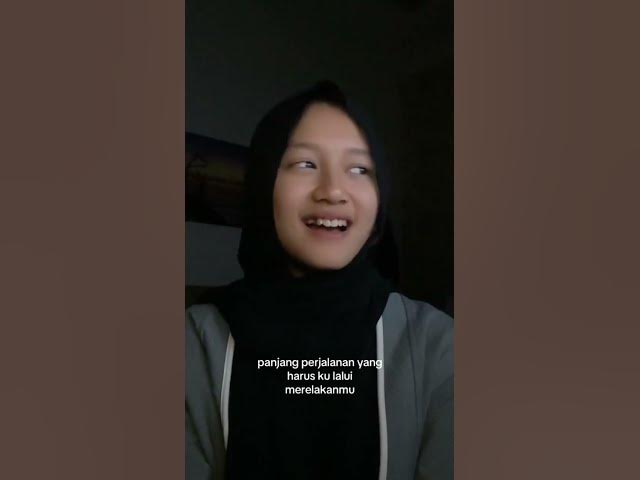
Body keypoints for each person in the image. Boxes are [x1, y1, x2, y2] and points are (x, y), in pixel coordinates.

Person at [186, 81, 453, 480]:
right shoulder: (194, 343)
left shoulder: (438, 346)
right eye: (305, 164)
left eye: (359, 169)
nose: (333, 191)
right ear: (263, 184)